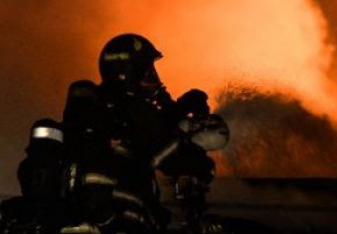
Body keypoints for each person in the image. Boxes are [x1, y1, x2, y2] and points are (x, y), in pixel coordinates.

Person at [8, 34, 229, 234]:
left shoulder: (98, 110)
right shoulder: (133, 108)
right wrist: (199, 158)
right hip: (125, 215)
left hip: (79, 214)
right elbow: (166, 152)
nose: (154, 79)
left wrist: (180, 107)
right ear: (129, 71)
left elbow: (154, 128)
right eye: (148, 72)